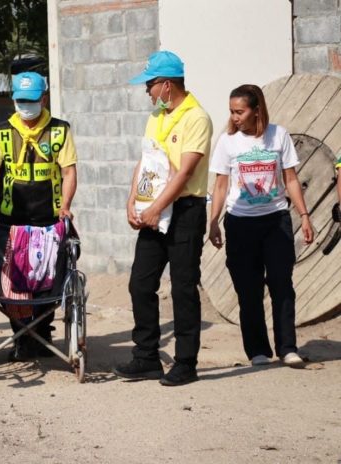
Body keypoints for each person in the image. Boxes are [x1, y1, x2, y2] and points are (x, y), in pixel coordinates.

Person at [114, 51, 213, 386]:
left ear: (166, 85)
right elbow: (146, 162)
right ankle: (146, 357)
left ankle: (186, 362)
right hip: (154, 211)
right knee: (140, 283)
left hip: (185, 211)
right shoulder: (156, 117)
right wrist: (133, 202)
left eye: (150, 85)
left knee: (183, 286)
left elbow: (185, 173)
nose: (147, 92)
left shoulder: (196, 117)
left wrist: (157, 208)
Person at [208, 84, 313, 367]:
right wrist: (213, 222)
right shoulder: (228, 143)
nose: (234, 117)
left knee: (282, 284)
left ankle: (288, 348)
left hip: (276, 220)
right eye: (231, 111)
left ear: (257, 111)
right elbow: (220, 186)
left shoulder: (278, 135)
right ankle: (257, 350)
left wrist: (303, 215)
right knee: (248, 289)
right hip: (240, 224)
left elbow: (290, 178)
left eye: (239, 111)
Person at [0, 71, 78, 361]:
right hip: (12, 219)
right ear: (13, 99)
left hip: (49, 218)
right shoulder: (1, 132)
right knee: (14, 281)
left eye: (32, 100)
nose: (26, 106)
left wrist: (66, 205)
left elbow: (69, 171)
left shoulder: (60, 130)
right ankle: (23, 335)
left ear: (43, 98)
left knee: (47, 279)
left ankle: (41, 330)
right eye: (21, 100)